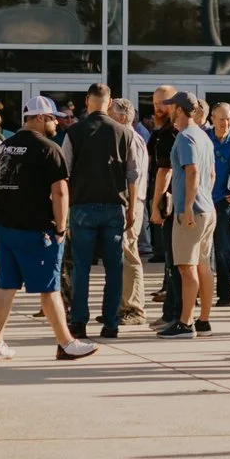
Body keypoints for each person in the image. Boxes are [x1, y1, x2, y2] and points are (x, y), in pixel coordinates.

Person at [0, 95, 98, 363]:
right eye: (52, 119)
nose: (56, 124)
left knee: (6, 286)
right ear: (38, 118)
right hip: (36, 229)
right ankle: (66, 343)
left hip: (4, 225)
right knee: (49, 287)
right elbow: (59, 192)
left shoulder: (3, 148)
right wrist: (61, 227)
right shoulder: (48, 149)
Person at [62, 83, 131, 343]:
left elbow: (65, 171)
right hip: (114, 205)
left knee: (81, 267)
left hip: (82, 205)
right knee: (114, 268)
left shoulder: (75, 132)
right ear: (110, 101)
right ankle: (111, 323)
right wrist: (132, 208)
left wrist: (65, 209)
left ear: (88, 101)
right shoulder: (124, 132)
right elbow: (132, 174)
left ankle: (79, 322)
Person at [159, 94, 218, 339]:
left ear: (180, 110)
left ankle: (185, 323)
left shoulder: (185, 137)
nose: (168, 110)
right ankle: (203, 320)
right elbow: (211, 174)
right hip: (207, 208)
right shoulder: (204, 135)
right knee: (203, 266)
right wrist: (203, 198)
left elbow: (192, 171)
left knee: (186, 267)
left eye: (171, 106)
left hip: (192, 211)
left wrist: (187, 207)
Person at [108, 99, 150, 325]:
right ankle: (123, 305)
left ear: (122, 117)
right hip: (129, 202)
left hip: (131, 203)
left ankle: (134, 308)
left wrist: (131, 207)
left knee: (130, 254)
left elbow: (132, 176)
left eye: (111, 114)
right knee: (123, 254)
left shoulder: (131, 139)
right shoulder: (129, 138)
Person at [144, 86, 181, 330]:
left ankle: (175, 315)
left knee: (175, 263)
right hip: (166, 204)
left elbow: (165, 171)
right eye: (155, 102)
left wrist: (156, 205)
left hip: (171, 206)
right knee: (170, 262)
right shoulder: (159, 133)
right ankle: (170, 313)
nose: (158, 107)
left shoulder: (171, 133)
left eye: (163, 103)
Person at [210, 102, 230, 308]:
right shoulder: (204, 138)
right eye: (221, 119)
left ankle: (225, 295)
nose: (225, 123)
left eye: (228, 118)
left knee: (222, 248)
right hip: (203, 200)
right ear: (212, 118)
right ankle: (196, 292)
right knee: (200, 251)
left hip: (225, 201)